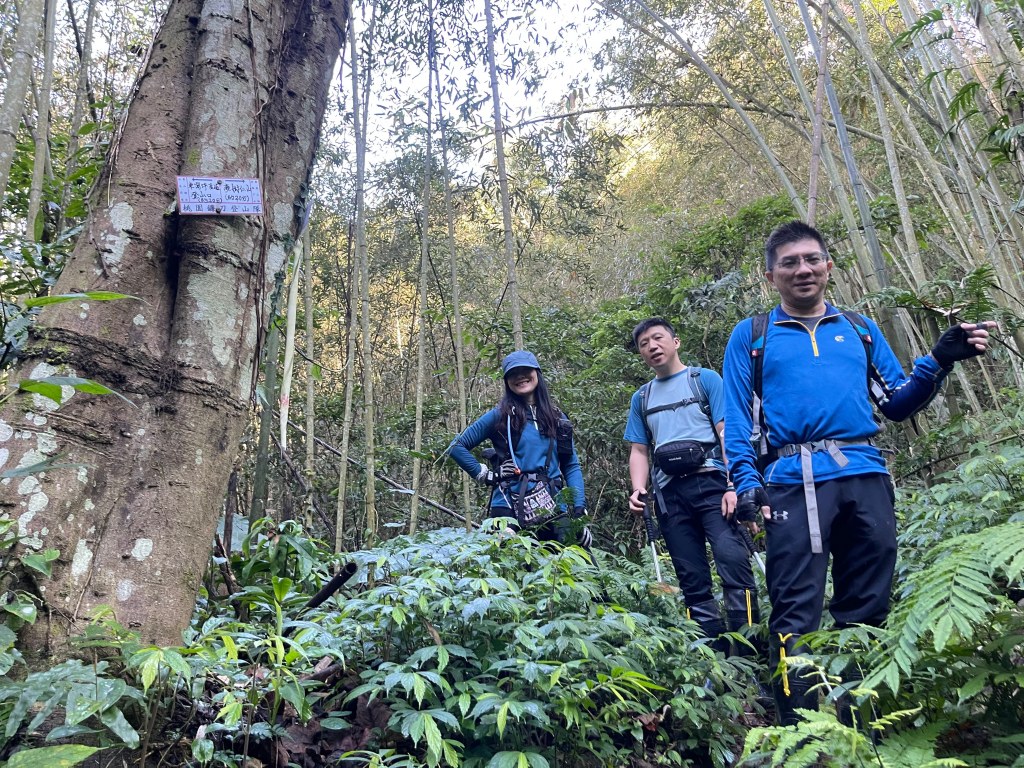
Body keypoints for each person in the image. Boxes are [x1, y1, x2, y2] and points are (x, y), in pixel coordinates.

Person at [723, 220, 993, 725]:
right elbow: (738, 418)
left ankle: (862, 724)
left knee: (867, 604)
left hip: (865, 475)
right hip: (792, 481)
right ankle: (799, 730)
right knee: (795, 607)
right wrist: (746, 482)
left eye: (812, 259)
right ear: (770, 276)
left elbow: (896, 403)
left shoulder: (860, 328)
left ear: (828, 266)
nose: (803, 269)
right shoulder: (752, 336)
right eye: (789, 262)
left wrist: (938, 360)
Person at [624, 318, 761, 655]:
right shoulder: (642, 397)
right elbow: (639, 449)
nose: (652, 347)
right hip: (670, 495)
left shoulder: (705, 380)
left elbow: (727, 432)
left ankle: (749, 656)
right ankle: (712, 659)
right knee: (691, 578)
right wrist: (638, 488)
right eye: (644, 344)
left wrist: (734, 483)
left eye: (658, 338)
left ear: (676, 341)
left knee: (733, 562)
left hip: (714, 486)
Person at [447, 350, 591, 547]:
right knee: (512, 563)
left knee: (579, 562)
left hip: (554, 506)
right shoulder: (500, 416)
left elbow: (570, 465)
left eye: (526, 370)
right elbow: (456, 447)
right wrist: (486, 474)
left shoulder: (558, 418)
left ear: (537, 373)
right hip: (508, 507)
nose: (520, 376)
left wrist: (579, 509)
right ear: (507, 381)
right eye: (513, 373)